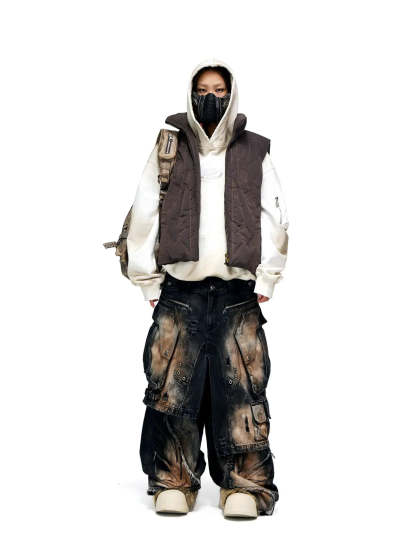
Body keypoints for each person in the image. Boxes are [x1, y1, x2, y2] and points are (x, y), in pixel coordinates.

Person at [126, 57, 289, 518]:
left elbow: (274, 214)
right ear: (190, 94)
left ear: (231, 95)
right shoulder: (169, 148)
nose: (210, 98)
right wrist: (147, 281)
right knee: (172, 387)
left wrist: (269, 275)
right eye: (203, 90)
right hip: (180, 292)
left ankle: (245, 485)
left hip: (238, 295)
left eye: (219, 90)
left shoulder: (255, 151)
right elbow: (144, 211)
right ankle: (172, 479)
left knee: (243, 388)